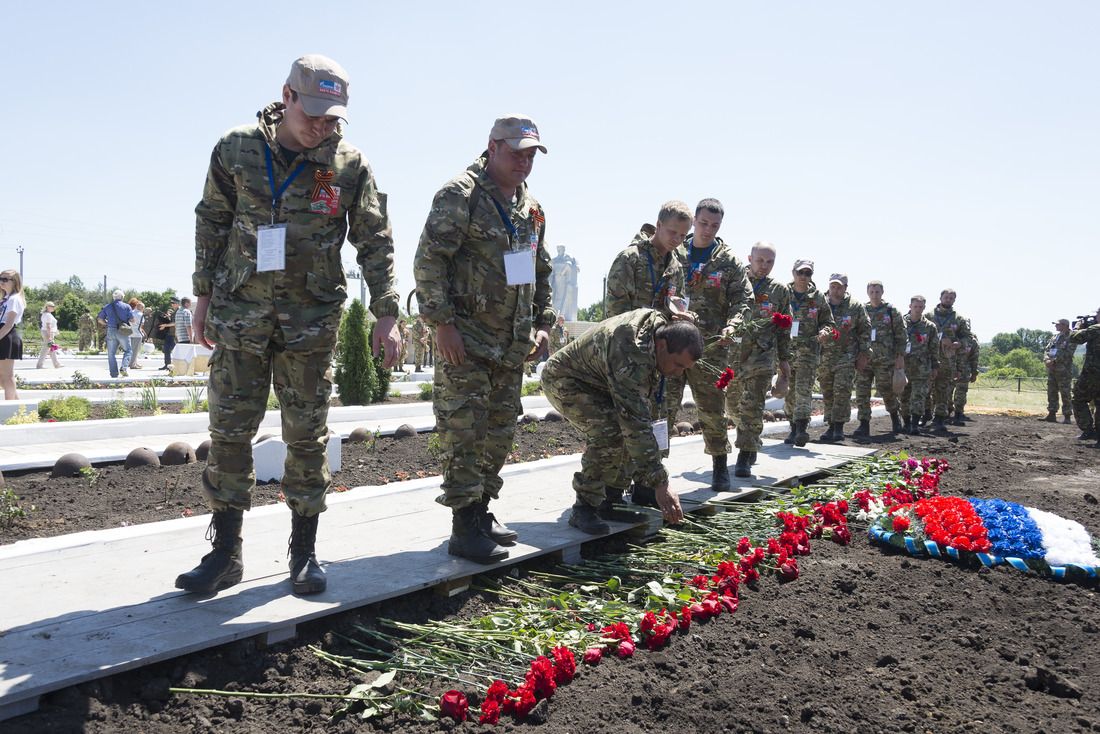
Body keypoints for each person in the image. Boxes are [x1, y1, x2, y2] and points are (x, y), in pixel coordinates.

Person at [176, 55, 401, 596]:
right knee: (229, 434)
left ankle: (304, 553)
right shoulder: (236, 148)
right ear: (288, 97)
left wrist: (387, 313)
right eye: (315, 114)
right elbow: (212, 220)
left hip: (310, 320)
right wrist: (202, 297)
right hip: (240, 316)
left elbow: (374, 239)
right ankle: (225, 552)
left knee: (307, 437)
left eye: (333, 117)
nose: (323, 126)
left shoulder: (348, 165)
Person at [413, 113, 553, 565]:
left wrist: (543, 323)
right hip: (467, 342)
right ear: (492, 147)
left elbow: (541, 271)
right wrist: (442, 323)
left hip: (511, 347)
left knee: (497, 433)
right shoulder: (461, 195)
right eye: (516, 152)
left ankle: (481, 512)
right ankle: (463, 528)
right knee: (464, 432)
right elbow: (429, 261)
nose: (524, 162)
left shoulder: (529, 208)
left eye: (531, 154)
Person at [541, 309, 698, 532]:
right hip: (566, 379)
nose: (678, 373)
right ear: (662, 345)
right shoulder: (632, 353)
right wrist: (661, 483)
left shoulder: (660, 330)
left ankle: (610, 499)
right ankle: (584, 507)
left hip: (602, 382)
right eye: (678, 365)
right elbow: (635, 426)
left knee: (626, 427)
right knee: (610, 431)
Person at [665, 198, 752, 491]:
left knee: (712, 409)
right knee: (662, 407)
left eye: (714, 225)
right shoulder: (674, 249)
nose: (708, 230)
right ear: (695, 221)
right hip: (670, 345)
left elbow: (744, 299)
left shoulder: (728, 260)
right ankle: (651, 469)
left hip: (710, 349)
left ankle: (719, 466)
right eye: (703, 223)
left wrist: (734, 324)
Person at [726, 241, 792, 478]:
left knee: (752, 407)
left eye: (770, 262)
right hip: (732, 357)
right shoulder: (734, 281)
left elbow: (784, 328)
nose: (764, 266)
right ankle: (752, 438)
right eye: (760, 260)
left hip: (762, 358)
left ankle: (744, 454)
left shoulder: (780, 290)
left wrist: (784, 360)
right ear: (750, 258)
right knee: (732, 405)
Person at [605, 201, 690, 319]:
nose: (677, 239)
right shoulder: (630, 259)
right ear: (659, 225)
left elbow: (678, 308)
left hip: (661, 337)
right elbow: (615, 312)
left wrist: (689, 318)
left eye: (683, 235)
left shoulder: (676, 268)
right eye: (673, 232)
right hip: (628, 335)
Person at [783, 259, 834, 447]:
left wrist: (825, 331)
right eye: (800, 273)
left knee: (803, 391)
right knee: (789, 393)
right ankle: (792, 427)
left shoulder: (818, 297)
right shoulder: (783, 293)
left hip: (808, 354)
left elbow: (829, 322)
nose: (803, 277)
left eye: (808, 273)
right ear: (793, 273)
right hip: (786, 354)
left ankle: (802, 429)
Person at [816, 274, 870, 442]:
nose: (835, 289)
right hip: (824, 357)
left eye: (839, 286)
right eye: (833, 286)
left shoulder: (855, 307)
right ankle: (830, 426)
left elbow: (865, 331)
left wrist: (863, 355)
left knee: (842, 391)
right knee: (827, 392)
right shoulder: (820, 303)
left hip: (846, 356)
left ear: (846, 287)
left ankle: (839, 428)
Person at [852, 281, 907, 437]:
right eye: (872, 291)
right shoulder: (862, 309)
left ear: (882, 292)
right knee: (862, 393)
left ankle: (895, 417)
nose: (874, 294)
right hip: (864, 359)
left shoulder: (891, 310)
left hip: (885, 360)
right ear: (867, 292)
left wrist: (900, 357)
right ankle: (863, 424)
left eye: (877, 291)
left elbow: (901, 334)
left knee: (887, 391)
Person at [926, 289, 972, 431]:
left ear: (954, 300)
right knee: (926, 389)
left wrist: (960, 343)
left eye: (951, 298)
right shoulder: (928, 316)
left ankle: (939, 418)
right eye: (946, 297)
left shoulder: (958, 319)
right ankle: (925, 414)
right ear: (940, 298)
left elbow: (967, 337)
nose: (948, 300)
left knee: (943, 390)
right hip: (927, 359)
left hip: (948, 361)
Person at [898, 296, 939, 435]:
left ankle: (915, 424)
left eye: (920, 307)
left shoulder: (929, 326)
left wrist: (934, 367)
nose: (918, 309)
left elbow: (934, 348)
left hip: (922, 369)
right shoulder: (900, 323)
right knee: (904, 397)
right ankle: (906, 423)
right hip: (903, 366)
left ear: (924, 308)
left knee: (918, 396)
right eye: (915, 306)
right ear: (910, 306)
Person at [1069, 308, 1100, 445]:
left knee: (1079, 399)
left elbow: (1075, 338)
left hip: (1092, 374)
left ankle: (1088, 430)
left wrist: (1077, 328)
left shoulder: (1096, 329)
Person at [1042, 319, 1075, 423]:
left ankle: (1067, 416)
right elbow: (1047, 350)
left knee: (1065, 392)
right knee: (1051, 391)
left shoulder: (1071, 337)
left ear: (1065, 325)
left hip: (1063, 370)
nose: (1056, 326)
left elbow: (1069, 352)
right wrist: (1047, 360)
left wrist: (1055, 361)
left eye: (1058, 324)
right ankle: (1051, 414)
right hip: (1052, 369)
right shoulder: (1055, 337)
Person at [0, 269, 26, 399]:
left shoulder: (14, 299)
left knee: (7, 376)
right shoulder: (6, 298)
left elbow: (8, 324)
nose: (1, 282)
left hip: (6, 335)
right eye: (0, 279)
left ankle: (9, 408)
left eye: (5, 279)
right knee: (2, 378)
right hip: (3, 334)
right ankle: (18, 408)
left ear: (14, 282)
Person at [97, 290, 134, 378]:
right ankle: (123, 368)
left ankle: (113, 373)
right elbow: (132, 320)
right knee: (128, 351)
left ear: (113, 297)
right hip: (122, 331)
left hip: (111, 330)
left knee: (111, 353)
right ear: (122, 297)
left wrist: (107, 323)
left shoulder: (107, 306)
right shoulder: (126, 306)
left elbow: (100, 319)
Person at [949, 322, 979, 425]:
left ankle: (958, 414)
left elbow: (974, 358)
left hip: (964, 371)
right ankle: (945, 413)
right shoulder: (951, 339)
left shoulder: (972, 341)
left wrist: (974, 373)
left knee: (961, 394)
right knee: (946, 392)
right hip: (949, 370)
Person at [36, 301, 64, 369]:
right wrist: (50, 336)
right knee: (46, 349)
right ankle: (40, 365)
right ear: (47, 307)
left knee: (52, 349)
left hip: (46, 332)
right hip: (48, 332)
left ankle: (56, 364)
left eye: (54, 306)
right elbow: (48, 326)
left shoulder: (45, 314)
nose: (53, 307)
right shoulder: (48, 315)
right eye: (51, 306)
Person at [156, 298, 180, 370]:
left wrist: (165, 325)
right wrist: (169, 317)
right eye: (172, 304)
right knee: (166, 350)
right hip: (169, 334)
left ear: (178, 303)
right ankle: (167, 365)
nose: (173, 305)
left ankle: (177, 366)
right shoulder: (174, 313)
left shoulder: (179, 312)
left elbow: (175, 323)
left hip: (175, 335)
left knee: (175, 351)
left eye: (174, 303)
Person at [128, 298, 146, 369]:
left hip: (129, 333)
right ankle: (133, 365)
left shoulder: (131, 312)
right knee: (135, 350)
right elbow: (141, 325)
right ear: (141, 308)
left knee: (130, 349)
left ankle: (132, 362)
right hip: (137, 334)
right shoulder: (140, 314)